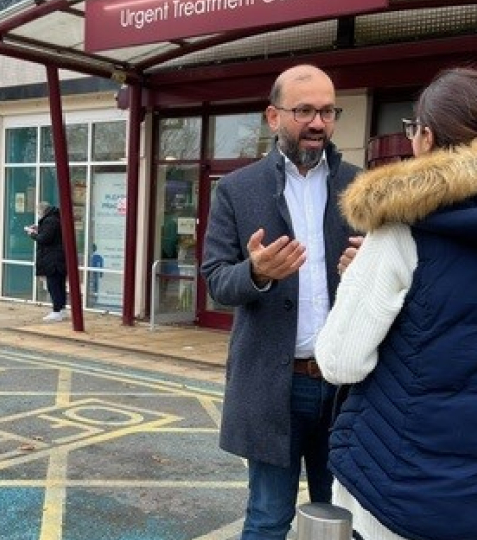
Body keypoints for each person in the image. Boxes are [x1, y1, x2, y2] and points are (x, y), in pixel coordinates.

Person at [315, 67, 477, 540]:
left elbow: (341, 361)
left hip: (400, 494)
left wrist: (359, 279)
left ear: (424, 136)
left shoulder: (402, 229)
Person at [201, 64, 360, 540]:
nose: (317, 122)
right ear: (273, 117)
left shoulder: (361, 186)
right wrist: (256, 273)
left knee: (347, 520)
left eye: (328, 111)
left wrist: (365, 272)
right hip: (276, 388)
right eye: (304, 110)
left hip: (346, 388)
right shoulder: (236, 189)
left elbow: (392, 280)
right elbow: (215, 280)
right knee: (269, 517)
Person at [27, 201, 67, 322]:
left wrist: (32, 234)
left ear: (42, 211)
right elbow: (50, 234)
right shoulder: (56, 219)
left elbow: (44, 238)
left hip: (52, 259)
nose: (38, 214)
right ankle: (61, 309)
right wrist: (39, 228)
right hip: (58, 258)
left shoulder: (50, 221)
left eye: (38, 212)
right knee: (59, 285)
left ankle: (56, 311)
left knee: (53, 285)